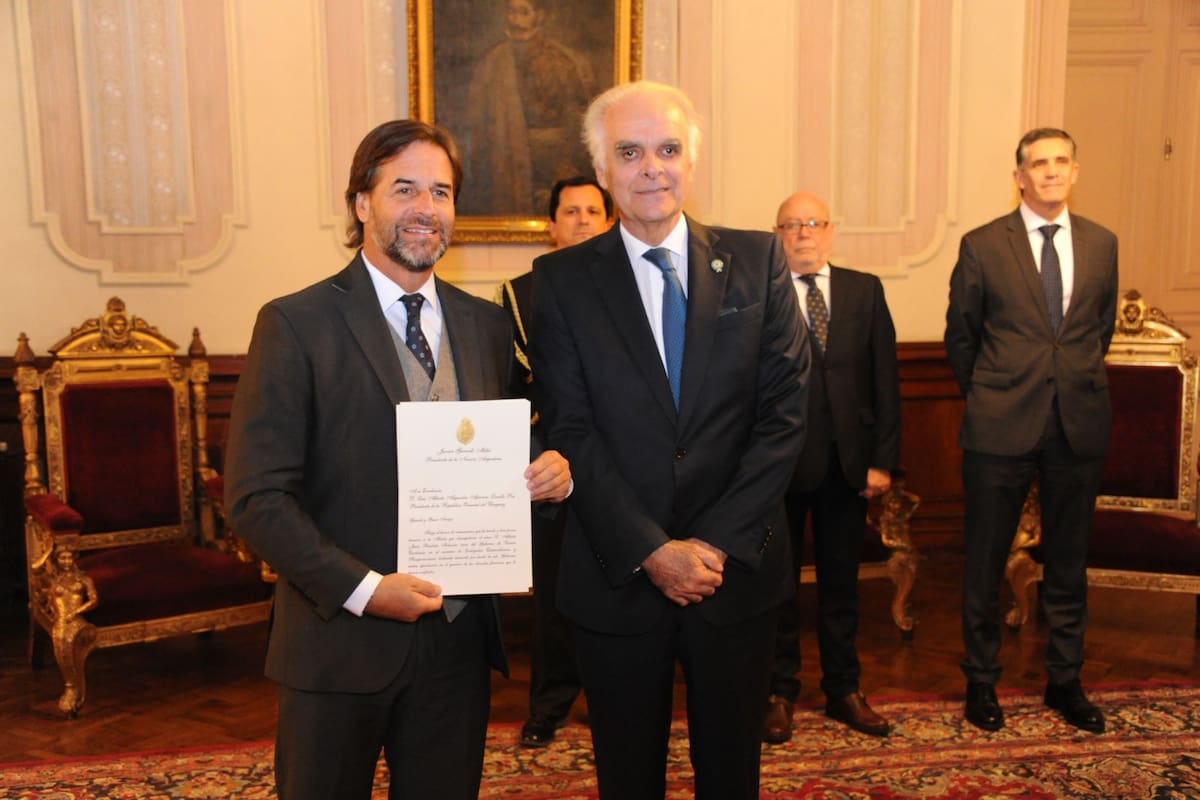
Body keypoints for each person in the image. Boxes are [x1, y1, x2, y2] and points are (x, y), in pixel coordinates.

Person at [224, 119, 572, 800]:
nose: (426, 209)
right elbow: (255, 498)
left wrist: (545, 470)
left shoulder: (487, 325)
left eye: (441, 192)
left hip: (457, 647)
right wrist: (364, 589)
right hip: (336, 641)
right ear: (362, 203)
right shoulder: (295, 324)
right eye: (404, 189)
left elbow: (493, 447)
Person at [528, 81, 809, 800]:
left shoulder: (758, 260)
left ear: (691, 161)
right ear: (602, 169)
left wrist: (712, 544)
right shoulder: (558, 281)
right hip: (617, 573)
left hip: (734, 572)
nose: (651, 167)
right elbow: (571, 427)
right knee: (626, 776)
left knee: (731, 774)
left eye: (668, 149)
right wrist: (652, 551)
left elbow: (784, 415)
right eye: (629, 152)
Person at [944, 127, 1118, 735]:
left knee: (1069, 562)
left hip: (1077, 422)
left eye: (1061, 161)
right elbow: (961, 336)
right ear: (1019, 177)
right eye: (1038, 163)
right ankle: (981, 681)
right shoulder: (983, 245)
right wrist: (992, 394)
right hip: (999, 426)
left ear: (1075, 172)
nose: (1051, 171)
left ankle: (1065, 681)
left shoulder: (1102, 243)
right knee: (985, 561)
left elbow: (1099, 330)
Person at [762, 191, 900, 743]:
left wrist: (882, 462)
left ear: (831, 231)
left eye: (813, 223)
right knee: (779, 587)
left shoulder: (865, 290)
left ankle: (844, 688)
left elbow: (885, 379)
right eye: (791, 225)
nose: (804, 233)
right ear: (777, 235)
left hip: (848, 466)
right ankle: (778, 692)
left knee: (842, 586)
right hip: (778, 468)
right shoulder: (760, 293)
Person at [495, 175, 614, 747]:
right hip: (553, 469)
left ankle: (618, 699)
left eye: (593, 210)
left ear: (609, 221)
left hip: (625, 469)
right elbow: (511, 389)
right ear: (551, 225)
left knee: (624, 588)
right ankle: (550, 705)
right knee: (556, 595)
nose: (583, 220)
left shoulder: (633, 285)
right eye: (571, 211)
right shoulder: (521, 294)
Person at [462, 0, 594, 216]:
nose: (515, 20)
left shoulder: (562, 63)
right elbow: (479, 128)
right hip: (507, 161)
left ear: (539, 16)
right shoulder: (492, 63)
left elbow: (576, 119)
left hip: (554, 161)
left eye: (524, 12)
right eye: (511, 12)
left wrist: (564, 162)